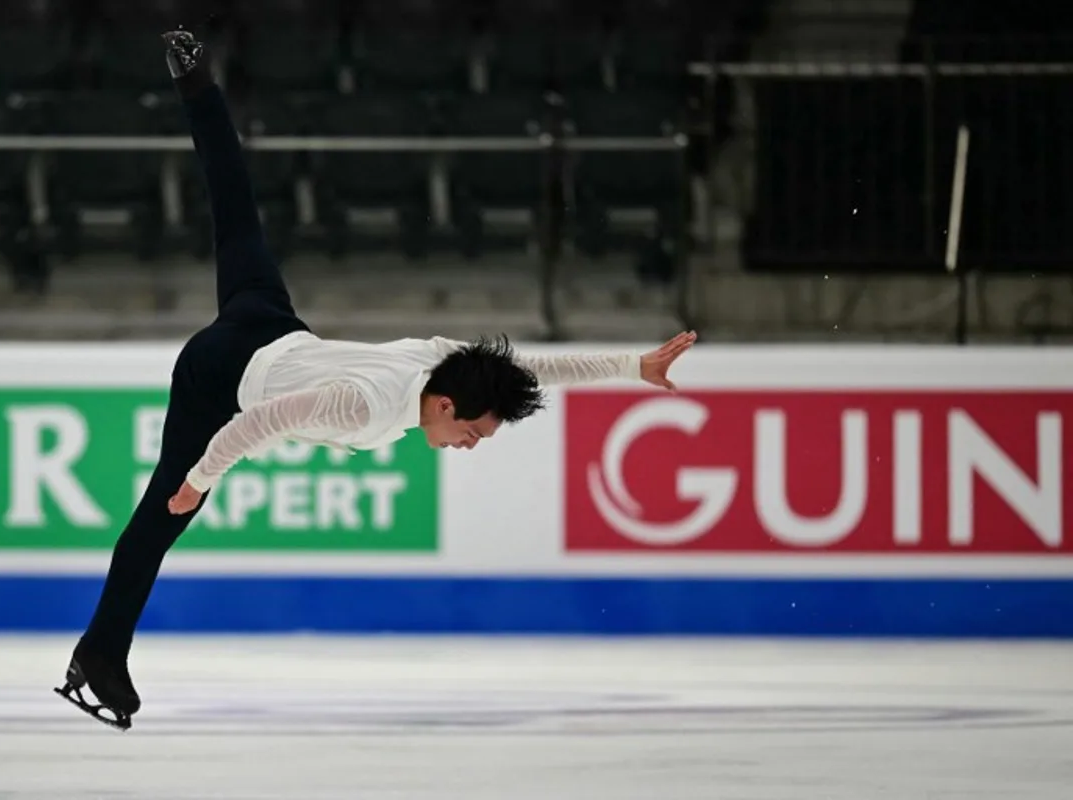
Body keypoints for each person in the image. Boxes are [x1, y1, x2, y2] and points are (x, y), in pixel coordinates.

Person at [55, 27, 698, 731]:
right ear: (448, 404)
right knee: (160, 520)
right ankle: (99, 653)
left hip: (270, 322)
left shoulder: (443, 359)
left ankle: (196, 84)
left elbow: (536, 366)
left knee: (236, 210)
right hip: (219, 376)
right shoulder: (363, 407)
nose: (470, 445)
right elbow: (256, 424)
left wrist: (633, 366)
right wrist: (200, 480)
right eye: (471, 431)